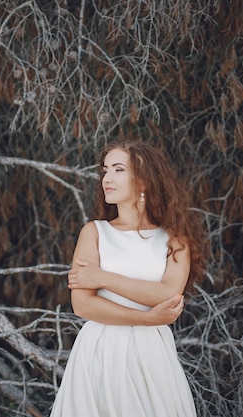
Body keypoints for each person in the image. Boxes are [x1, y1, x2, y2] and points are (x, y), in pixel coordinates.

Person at [50, 140, 207, 417]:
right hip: (100, 348)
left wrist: (101, 277)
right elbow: (83, 306)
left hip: (152, 352)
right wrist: (147, 318)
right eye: (105, 170)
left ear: (144, 180)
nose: (107, 179)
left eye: (118, 170)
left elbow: (168, 294)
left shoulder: (175, 238)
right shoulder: (94, 232)